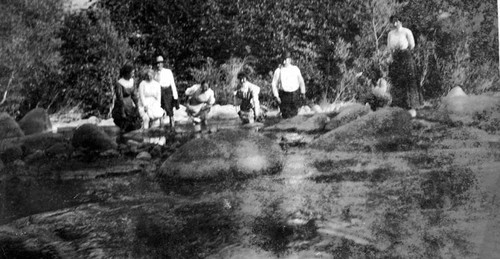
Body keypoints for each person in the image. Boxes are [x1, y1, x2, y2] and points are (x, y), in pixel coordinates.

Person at [387, 15, 423, 116]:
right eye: (393, 22)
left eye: (396, 21)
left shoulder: (406, 31)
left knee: (408, 80)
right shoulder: (390, 34)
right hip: (395, 58)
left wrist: (403, 51)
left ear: (400, 21)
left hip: (405, 57)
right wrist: (393, 55)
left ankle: (411, 105)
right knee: (397, 80)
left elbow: (412, 45)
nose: (394, 24)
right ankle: (398, 105)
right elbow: (389, 47)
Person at [271, 51, 306, 119]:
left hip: (295, 94)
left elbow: (301, 81)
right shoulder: (278, 71)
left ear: (289, 60)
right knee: (286, 116)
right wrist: (276, 96)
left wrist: (303, 92)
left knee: (295, 115)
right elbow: (274, 84)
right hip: (284, 96)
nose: (284, 62)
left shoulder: (295, 69)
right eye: (283, 59)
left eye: (285, 59)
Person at [111, 64, 142, 133]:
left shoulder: (132, 81)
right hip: (122, 105)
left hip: (129, 103)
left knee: (135, 123)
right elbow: (120, 98)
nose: (133, 74)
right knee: (124, 124)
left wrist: (137, 106)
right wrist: (122, 112)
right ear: (127, 73)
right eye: (132, 73)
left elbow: (134, 95)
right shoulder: (119, 83)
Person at [153, 55, 179, 129]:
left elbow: (172, 84)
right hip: (159, 93)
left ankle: (172, 127)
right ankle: (162, 128)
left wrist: (175, 96)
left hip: (168, 92)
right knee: (160, 111)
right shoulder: (154, 74)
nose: (158, 65)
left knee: (170, 111)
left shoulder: (168, 72)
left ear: (162, 63)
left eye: (160, 63)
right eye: (157, 63)